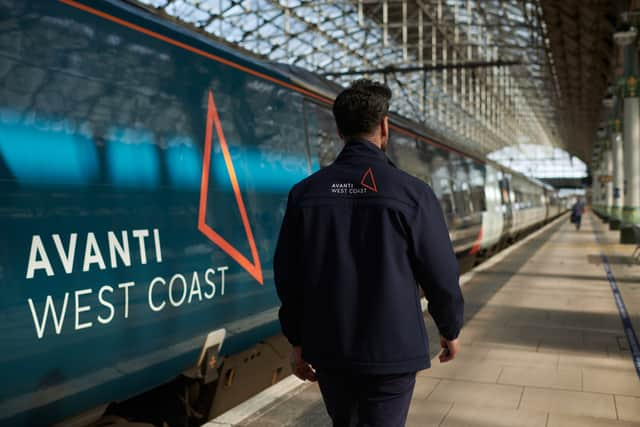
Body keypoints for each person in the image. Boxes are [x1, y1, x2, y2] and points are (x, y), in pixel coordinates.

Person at [273, 79, 464, 427]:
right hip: (393, 352)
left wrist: (297, 341)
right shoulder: (413, 194)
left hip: (330, 350)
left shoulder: (305, 194)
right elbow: (441, 273)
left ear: (339, 129)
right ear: (384, 126)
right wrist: (449, 328)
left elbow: (288, 276)